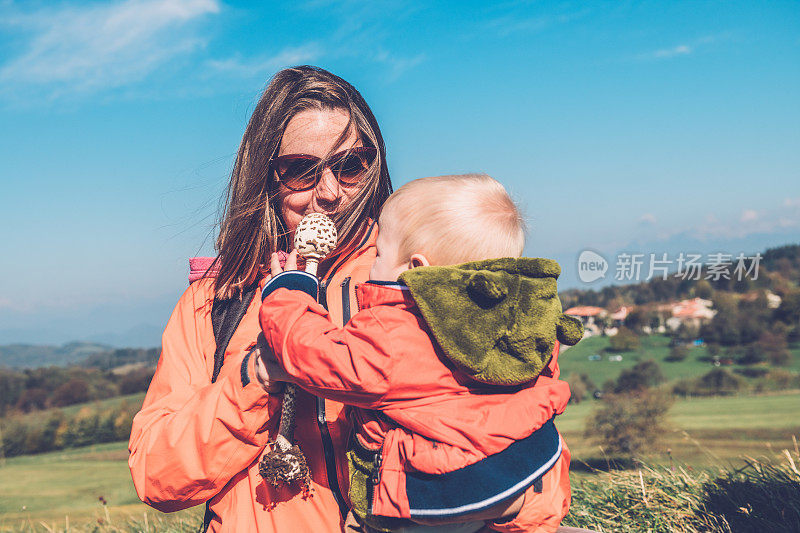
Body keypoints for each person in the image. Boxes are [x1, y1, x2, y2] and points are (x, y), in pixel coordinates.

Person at [128, 65, 393, 532]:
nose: (330, 193)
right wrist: (256, 377)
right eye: (302, 171)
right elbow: (156, 472)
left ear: (375, 166)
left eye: (350, 165)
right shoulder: (214, 301)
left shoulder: (414, 275)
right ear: (268, 178)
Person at [258, 174, 584, 533]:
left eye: (380, 253)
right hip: (514, 479)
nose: (371, 264)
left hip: (431, 499)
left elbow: (315, 357)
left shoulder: (396, 332)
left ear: (416, 269)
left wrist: (290, 293)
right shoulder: (521, 318)